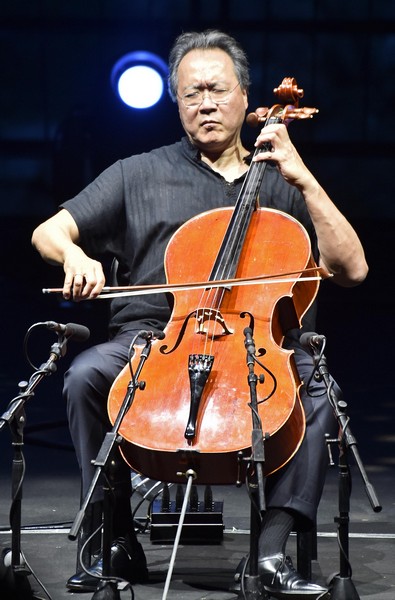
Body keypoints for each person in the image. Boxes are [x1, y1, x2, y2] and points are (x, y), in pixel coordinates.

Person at [31, 29, 368, 598]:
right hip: (153, 339)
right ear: (176, 103)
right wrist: (75, 255)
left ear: (245, 97)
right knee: (86, 375)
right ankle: (108, 539)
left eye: (217, 90)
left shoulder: (285, 181)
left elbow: (352, 269)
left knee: (317, 389)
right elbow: (50, 230)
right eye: (191, 94)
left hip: (258, 345)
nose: (205, 103)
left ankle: (270, 554)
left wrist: (303, 177)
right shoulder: (138, 173)